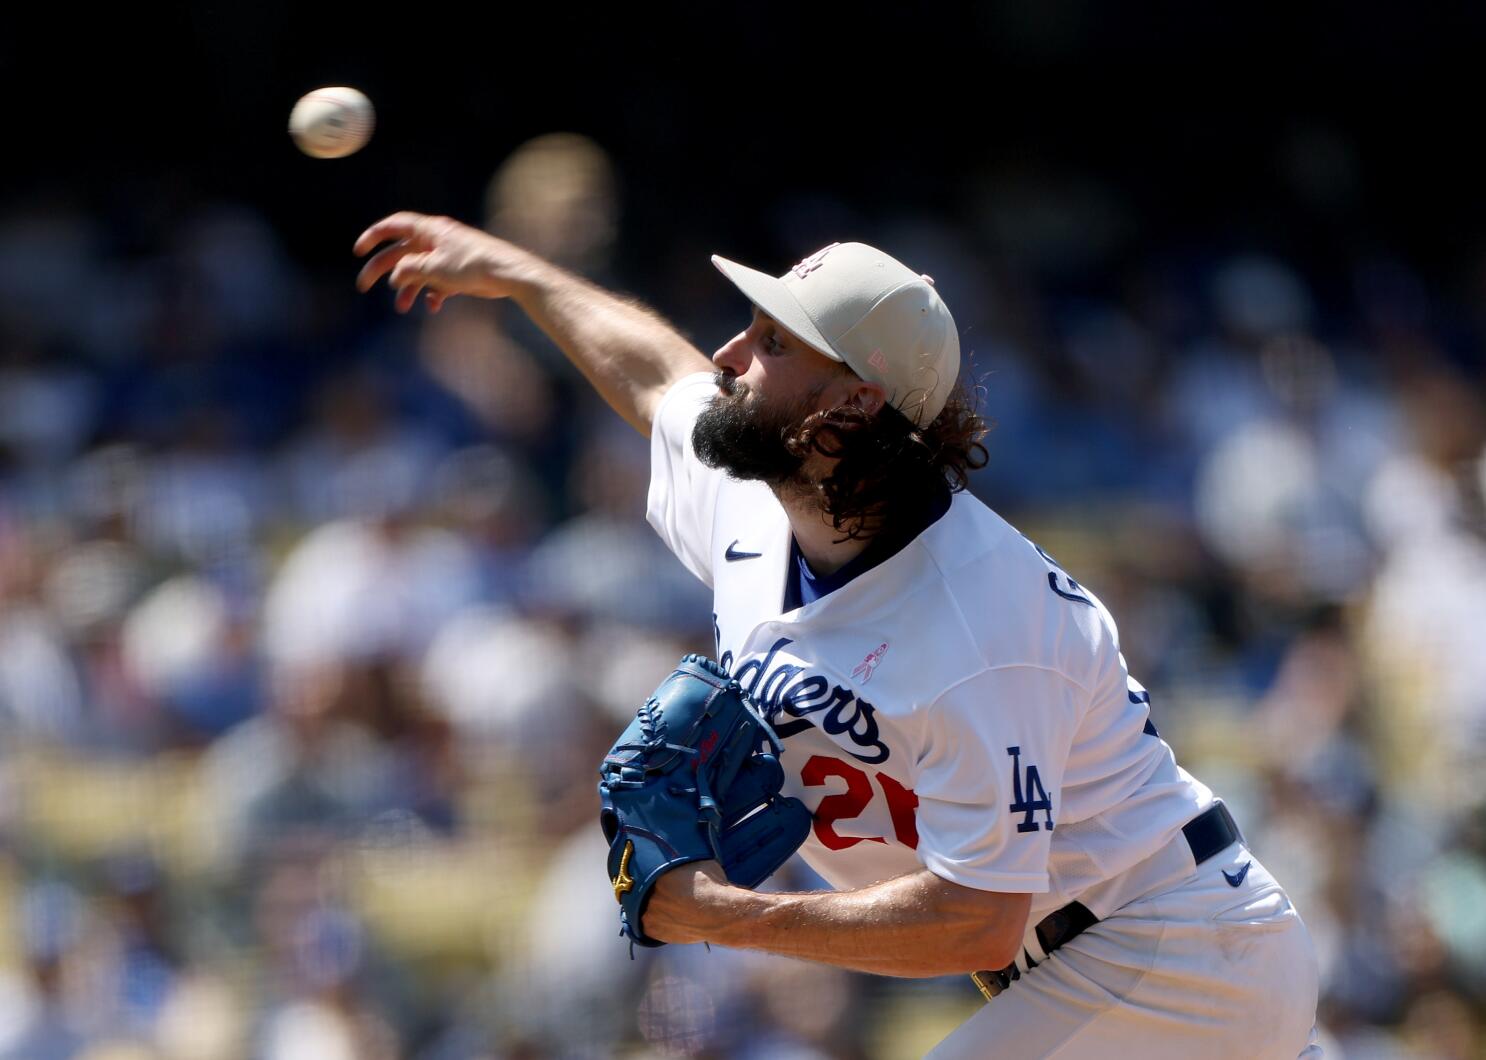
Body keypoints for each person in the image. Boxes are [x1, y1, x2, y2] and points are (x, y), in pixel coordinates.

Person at [354, 213, 1322, 1058]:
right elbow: (659, 377)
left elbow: (973, 920)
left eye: (771, 339)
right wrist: (522, 274)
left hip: (1174, 955)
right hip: (1090, 972)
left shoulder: (980, 622)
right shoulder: (757, 502)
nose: (731, 353)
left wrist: (722, 916)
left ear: (852, 401)